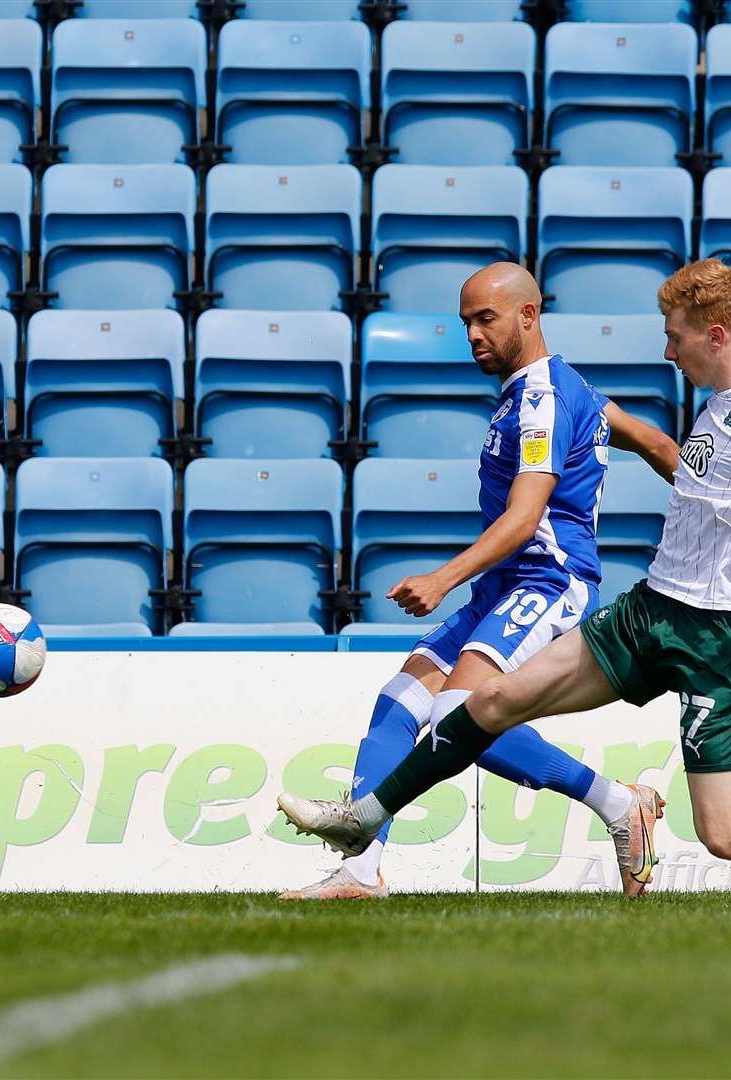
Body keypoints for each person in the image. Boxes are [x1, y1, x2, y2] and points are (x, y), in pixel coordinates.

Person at [279, 259, 731, 903]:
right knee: (489, 701)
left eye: (673, 336)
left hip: (716, 634)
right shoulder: (717, 398)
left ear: (713, 334)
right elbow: (672, 455)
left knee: (728, 837)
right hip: (647, 612)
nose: (665, 350)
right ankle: (363, 821)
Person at [280, 262, 680, 900]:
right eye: (466, 321)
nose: (472, 334)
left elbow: (525, 519)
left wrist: (441, 579)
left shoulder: (544, 399)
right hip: (502, 588)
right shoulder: (557, 386)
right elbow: (655, 442)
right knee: (397, 705)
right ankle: (361, 872)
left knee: (457, 715)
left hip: (549, 581)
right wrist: (701, 501)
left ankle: (615, 801)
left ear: (528, 314)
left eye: (484, 319)